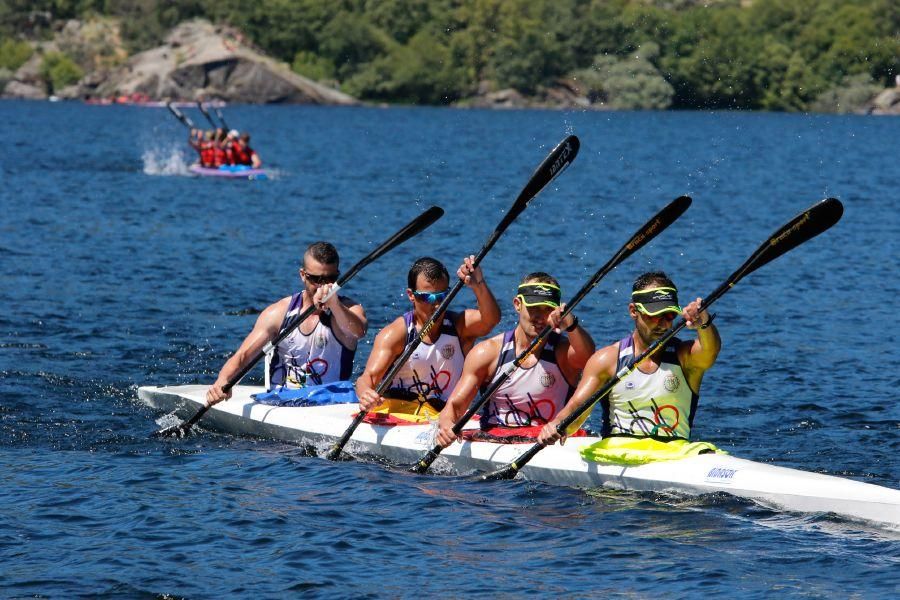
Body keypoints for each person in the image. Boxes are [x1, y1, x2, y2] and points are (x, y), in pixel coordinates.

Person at [537, 271, 720, 449]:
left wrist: (704, 323)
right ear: (634, 311)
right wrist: (558, 424)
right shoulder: (607, 360)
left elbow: (710, 351)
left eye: (670, 315)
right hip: (619, 455)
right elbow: (576, 409)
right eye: (654, 315)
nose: (663, 324)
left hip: (673, 456)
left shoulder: (685, 357)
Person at [435, 272, 595, 446]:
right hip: (493, 441)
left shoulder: (563, 353)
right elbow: (455, 406)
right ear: (517, 304)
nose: (541, 318)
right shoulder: (487, 353)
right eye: (534, 308)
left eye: (548, 310)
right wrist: (446, 426)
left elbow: (589, 357)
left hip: (546, 443)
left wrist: (572, 326)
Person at [206, 242, 367, 406]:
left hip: (329, 404)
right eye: (316, 279)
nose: (323, 286)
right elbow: (244, 356)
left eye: (330, 279)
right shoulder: (278, 313)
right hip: (282, 401)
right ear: (303, 275)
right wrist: (223, 380)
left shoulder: (349, 310)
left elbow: (358, 332)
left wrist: (334, 305)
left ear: (338, 276)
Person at [356, 256, 500, 416]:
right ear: (411, 295)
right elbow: (367, 377)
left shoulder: (460, 327)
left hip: (441, 419)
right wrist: (365, 393)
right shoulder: (396, 333)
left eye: (442, 296)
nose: (437, 304)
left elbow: (491, 320)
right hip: (399, 416)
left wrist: (478, 284)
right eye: (428, 297)